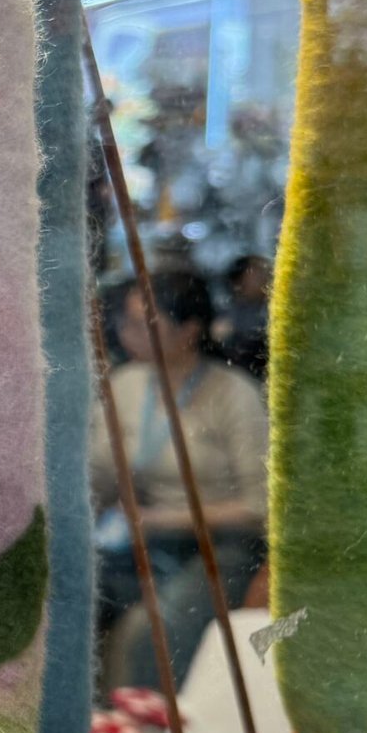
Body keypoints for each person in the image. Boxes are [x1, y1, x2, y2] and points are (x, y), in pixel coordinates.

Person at [91, 270, 268, 690]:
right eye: (126, 321)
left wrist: (156, 520)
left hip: (220, 546)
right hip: (141, 540)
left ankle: (149, 722)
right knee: (73, 593)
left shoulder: (233, 394)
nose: (126, 332)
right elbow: (98, 476)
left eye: (142, 324)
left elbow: (258, 506)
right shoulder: (126, 384)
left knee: (155, 629)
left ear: (189, 331)